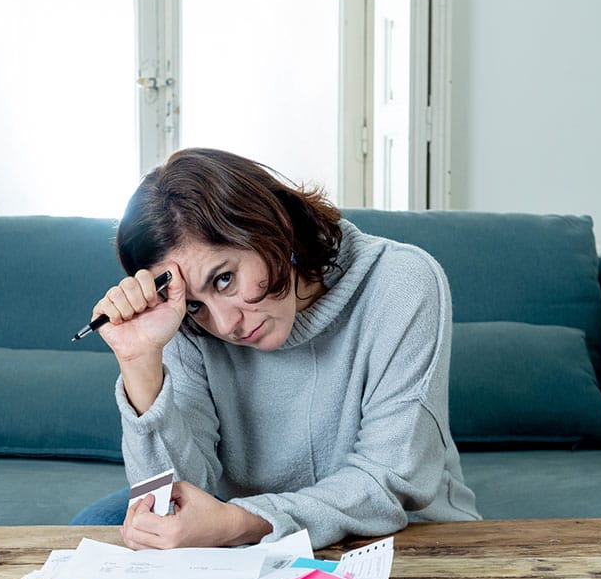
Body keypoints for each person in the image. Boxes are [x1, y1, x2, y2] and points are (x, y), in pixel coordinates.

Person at [71, 147, 479, 550]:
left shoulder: (401, 282)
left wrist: (242, 522)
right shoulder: (184, 323)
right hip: (250, 541)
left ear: (272, 227)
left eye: (225, 279)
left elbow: (388, 480)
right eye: (196, 304)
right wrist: (139, 361)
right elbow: (175, 502)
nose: (226, 324)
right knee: (89, 532)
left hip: (399, 535)